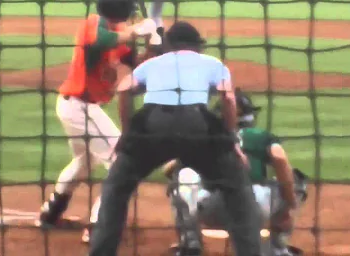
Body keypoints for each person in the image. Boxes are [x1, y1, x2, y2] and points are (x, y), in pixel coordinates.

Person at [87, 21, 264, 256]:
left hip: (153, 125)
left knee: (115, 189)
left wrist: (128, 134)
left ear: (169, 45)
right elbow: (229, 100)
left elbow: (123, 89)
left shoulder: (153, 63)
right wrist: (230, 140)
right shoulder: (212, 63)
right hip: (197, 126)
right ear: (197, 46)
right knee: (237, 190)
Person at [37, 0, 159, 241]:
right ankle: (98, 228)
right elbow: (101, 41)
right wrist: (138, 30)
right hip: (79, 106)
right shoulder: (94, 25)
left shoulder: (119, 31)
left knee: (85, 162)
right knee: (122, 161)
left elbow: (136, 65)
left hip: (81, 108)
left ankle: (50, 213)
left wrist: (152, 44)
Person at [163, 89, 309, 256]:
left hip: (210, 210)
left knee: (180, 178)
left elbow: (168, 169)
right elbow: (280, 159)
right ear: (250, 116)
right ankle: (278, 248)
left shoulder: (206, 137)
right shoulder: (258, 135)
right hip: (254, 208)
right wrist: (289, 206)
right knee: (296, 179)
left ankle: (190, 243)